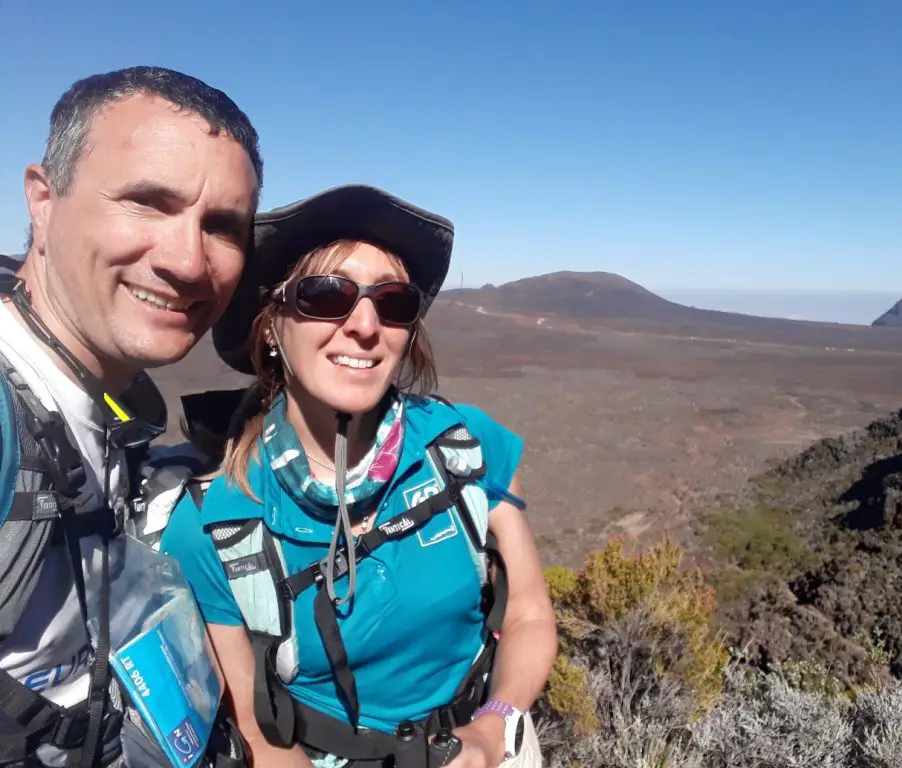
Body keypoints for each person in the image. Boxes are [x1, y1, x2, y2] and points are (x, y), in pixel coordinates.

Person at [159, 184, 558, 768]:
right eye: (326, 294)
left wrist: (494, 728)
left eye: (393, 300)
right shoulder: (215, 524)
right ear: (271, 327)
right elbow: (260, 731)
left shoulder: (466, 444)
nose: (365, 325)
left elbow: (528, 612)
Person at [0, 65, 262, 767]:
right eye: (147, 202)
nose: (187, 260)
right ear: (43, 201)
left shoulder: (109, 403)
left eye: (222, 227)